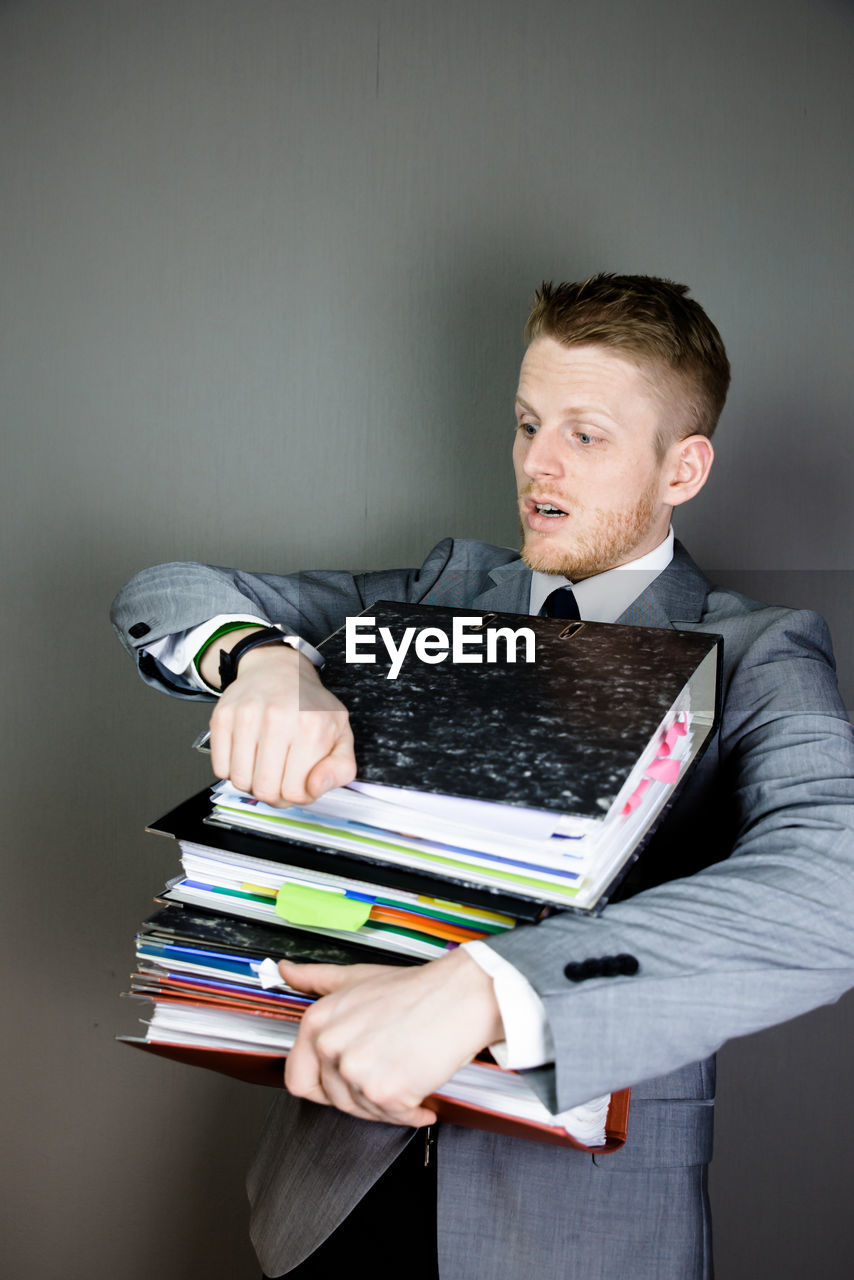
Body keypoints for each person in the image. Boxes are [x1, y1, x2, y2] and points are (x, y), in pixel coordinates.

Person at [111, 275, 854, 1279]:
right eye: (525, 422)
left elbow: (833, 883)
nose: (535, 464)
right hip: (329, 1198)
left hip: (571, 1236)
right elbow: (167, 591)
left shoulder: (757, 653)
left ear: (681, 467)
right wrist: (264, 658)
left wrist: (485, 991)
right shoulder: (434, 592)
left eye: (584, 435)